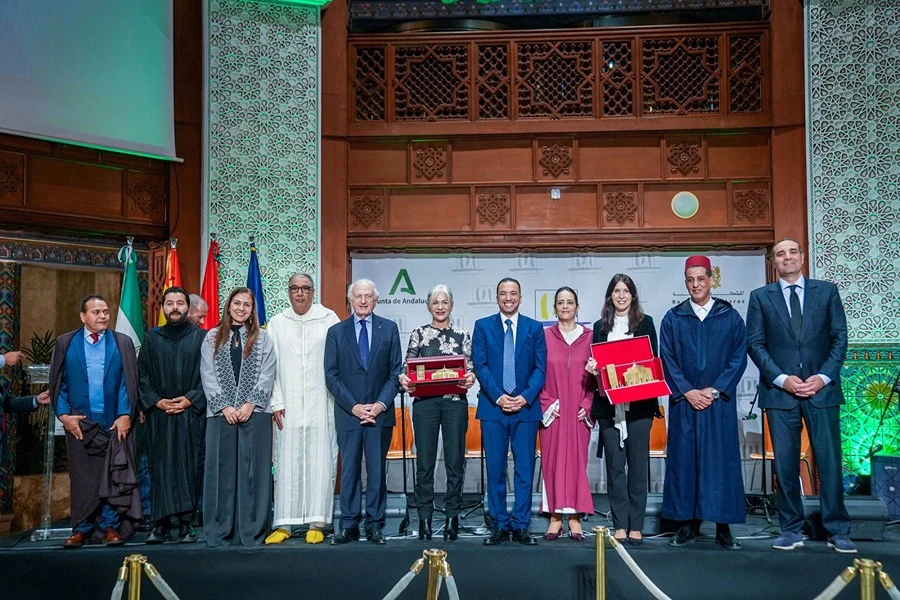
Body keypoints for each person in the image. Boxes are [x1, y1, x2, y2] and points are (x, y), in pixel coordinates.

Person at [747, 238, 856, 553]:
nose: (787, 257)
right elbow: (755, 344)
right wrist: (783, 380)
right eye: (780, 254)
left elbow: (839, 338)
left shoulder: (827, 292)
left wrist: (822, 378)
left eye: (792, 252)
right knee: (785, 465)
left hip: (822, 392)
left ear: (802, 257)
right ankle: (791, 529)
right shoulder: (760, 297)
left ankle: (837, 530)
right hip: (780, 394)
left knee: (829, 462)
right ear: (774, 262)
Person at [659, 256, 747, 550]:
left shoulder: (729, 316)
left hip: (717, 404)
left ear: (711, 280)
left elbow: (738, 357)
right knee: (684, 462)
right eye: (690, 280)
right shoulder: (673, 318)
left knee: (720, 463)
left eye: (700, 279)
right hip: (685, 403)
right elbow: (667, 359)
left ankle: (723, 527)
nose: (695, 285)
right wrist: (688, 391)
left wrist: (715, 390)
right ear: (685, 283)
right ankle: (686, 525)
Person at [49, 295, 141, 549]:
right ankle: (81, 529)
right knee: (83, 479)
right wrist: (64, 416)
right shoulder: (66, 342)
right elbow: (58, 383)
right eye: (96, 312)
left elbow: (127, 383)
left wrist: (125, 415)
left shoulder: (122, 342)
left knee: (112, 475)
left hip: (114, 423)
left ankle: (110, 527)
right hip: (80, 425)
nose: (103, 316)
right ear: (83, 316)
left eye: (106, 312)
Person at [325, 279, 402, 546]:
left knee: (377, 470)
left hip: (380, 414)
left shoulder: (389, 329)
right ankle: (348, 525)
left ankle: (375, 524)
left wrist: (379, 405)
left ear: (376, 300)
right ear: (351, 300)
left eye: (368, 296)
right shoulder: (336, 332)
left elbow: (395, 373)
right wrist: (354, 407)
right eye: (358, 296)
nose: (363, 301)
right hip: (349, 414)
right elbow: (331, 376)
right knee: (349, 471)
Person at [266, 273, 340, 545]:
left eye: (305, 288)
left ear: (313, 291)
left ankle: (317, 522)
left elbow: (338, 362)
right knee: (287, 462)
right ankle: (284, 523)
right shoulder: (277, 323)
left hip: (322, 403)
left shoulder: (329, 319)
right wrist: (276, 402)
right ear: (288, 292)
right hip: (288, 405)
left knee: (321, 461)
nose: (300, 293)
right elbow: (269, 367)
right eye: (295, 288)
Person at [586, 274, 660, 546]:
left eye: (626, 291)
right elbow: (595, 363)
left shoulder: (646, 323)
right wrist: (593, 369)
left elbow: (652, 361)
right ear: (610, 295)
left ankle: (636, 525)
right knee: (615, 468)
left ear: (633, 295)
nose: (621, 295)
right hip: (609, 409)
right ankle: (619, 524)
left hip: (639, 409)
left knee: (638, 468)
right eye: (616, 291)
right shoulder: (599, 327)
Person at [200, 287, 276, 547]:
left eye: (247, 305)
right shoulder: (212, 337)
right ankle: (220, 531)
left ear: (252, 310)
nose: (241, 308)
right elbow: (207, 374)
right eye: (237, 303)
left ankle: (252, 531)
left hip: (255, 414)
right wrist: (224, 407)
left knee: (253, 472)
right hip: (220, 415)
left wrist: (249, 404)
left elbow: (268, 373)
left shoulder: (263, 338)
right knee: (220, 471)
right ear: (229, 306)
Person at [473, 277, 547, 546]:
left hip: (525, 410)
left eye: (513, 293)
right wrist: (499, 396)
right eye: (503, 293)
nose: (508, 298)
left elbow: (540, 368)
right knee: (495, 469)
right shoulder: (482, 326)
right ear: (497, 298)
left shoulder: (534, 328)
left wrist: (524, 397)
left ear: (520, 297)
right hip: (493, 409)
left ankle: (521, 524)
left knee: (525, 470)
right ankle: (499, 524)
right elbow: (480, 366)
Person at [398, 284, 475, 542]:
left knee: (455, 462)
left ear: (451, 306)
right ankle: (425, 519)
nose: (440, 307)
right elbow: (407, 367)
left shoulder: (462, 335)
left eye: (444, 302)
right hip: (425, 405)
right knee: (425, 464)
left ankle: (453, 517)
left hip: (455, 404)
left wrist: (471, 377)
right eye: (435, 302)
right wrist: (404, 378)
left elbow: (470, 368)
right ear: (428, 306)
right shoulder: (418, 334)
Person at [139, 286, 207, 544]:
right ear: (163, 308)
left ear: (187, 308)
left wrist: (191, 399)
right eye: (170, 303)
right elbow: (141, 375)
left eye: (180, 303)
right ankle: (161, 525)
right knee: (160, 468)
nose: (175, 307)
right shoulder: (152, 338)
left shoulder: (201, 338)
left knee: (189, 468)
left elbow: (210, 377)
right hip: (160, 415)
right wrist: (156, 401)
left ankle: (187, 524)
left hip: (191, 415)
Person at [539, 287, 594, 542]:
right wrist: (548, 404)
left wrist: (588, 403)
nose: (565, 306)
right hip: (555, 411)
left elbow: (598, 379)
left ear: (577, 307)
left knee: (576, 463)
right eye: (560, 302)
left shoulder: (590, 338)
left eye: (569, 302)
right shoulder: (544, 337)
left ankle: (574, 517)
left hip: (579, 412)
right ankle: (554, 516)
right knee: (552, 462)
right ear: (555, 308)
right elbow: (536, 374)